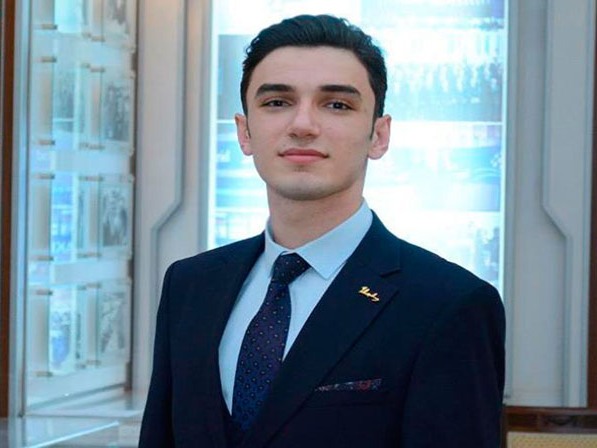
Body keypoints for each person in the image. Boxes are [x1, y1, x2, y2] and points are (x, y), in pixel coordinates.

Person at [139, 14, 505, 448]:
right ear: (244, 132)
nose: (303, 125)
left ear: (379, 136)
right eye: (277, 102)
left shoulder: (448, 304)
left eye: (337, 105)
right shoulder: (191, 285)